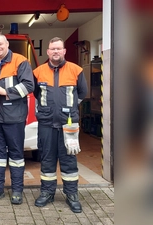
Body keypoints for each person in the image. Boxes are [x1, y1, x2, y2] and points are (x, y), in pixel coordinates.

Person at [32, 37, 87, 213]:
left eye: (58, 49)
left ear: (64, 51)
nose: (55, 51)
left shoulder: (76, 70)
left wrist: (67, 110)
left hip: (68, 124)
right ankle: (47, 193)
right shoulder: (38, 72)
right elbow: (35, 94)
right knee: (47, 159)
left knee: (69, 159)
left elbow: (82, 93)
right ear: (48, 52)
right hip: (46, 123)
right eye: (52, 49)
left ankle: (72, 195)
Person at [0, 34, 34, 205]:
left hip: (14, 117)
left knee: (17, 156)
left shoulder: (20, 61)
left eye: (0, 44)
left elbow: (29, 86)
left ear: (7, 44)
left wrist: (4, 92)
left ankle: (17, 191)